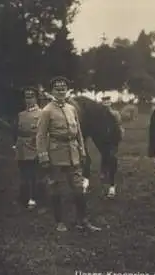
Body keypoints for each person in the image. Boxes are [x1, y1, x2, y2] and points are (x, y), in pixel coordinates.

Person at [36, 76, 101, 232]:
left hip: (73, 153)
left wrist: (82, 151)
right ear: (52, 91)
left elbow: (78, 132)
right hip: (56, 154)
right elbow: (40, 135)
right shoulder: (47, 111)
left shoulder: (71, 109)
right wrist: (43, 156)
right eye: (57, 89)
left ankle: (82, 221)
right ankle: (59, 222)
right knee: (56, 189)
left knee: (79, 188)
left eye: (63, 89)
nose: (61, 92)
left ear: (67, 90)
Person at [15, 87, 44, 210]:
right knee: (23, 173)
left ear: (36, 98)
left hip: (35, 146)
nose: (29, 99)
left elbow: (43, 131)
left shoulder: (42, 113)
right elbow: (17, 131)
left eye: (31, 96)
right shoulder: (21, 114)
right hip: (22, 147)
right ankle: (24, 197)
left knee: (34, 173)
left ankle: (34, 198)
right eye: (26, 97)